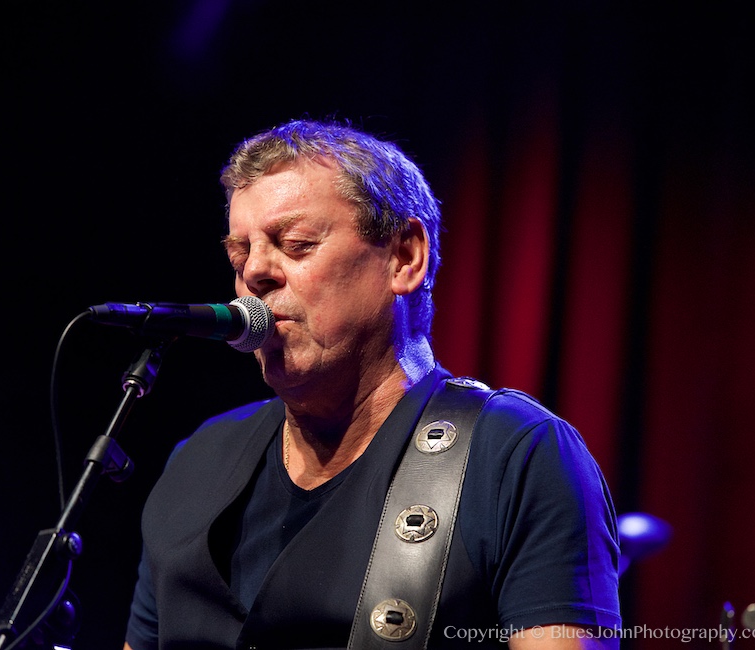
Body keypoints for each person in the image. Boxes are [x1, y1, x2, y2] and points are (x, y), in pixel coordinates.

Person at [123, 119, 621, 649]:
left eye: (295, 244)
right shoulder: (197, 460)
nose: (255, 273)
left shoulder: (518, 457)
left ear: (405, 257)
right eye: (240, 254)